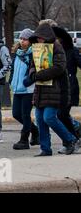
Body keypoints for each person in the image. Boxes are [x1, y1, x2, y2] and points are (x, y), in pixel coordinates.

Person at [25, 23, 78, 156]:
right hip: (40, 91)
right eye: (37, 38)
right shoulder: (36, 49)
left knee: (49, 118)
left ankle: (70, 139)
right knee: (40, 119)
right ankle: (45, 148)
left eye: (41, 38)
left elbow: (59, 68)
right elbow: (32, 65)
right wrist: (32, 73)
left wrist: (38, 75)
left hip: (55, 90)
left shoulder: (57, 48)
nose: (39, 40)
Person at [51, 26, 81, 153]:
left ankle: (72, 140)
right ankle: (73, 138)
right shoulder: (52, 51)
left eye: (56, 38)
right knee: (62, 115)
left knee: (61, 114)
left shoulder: (71, 50)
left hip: (70, 87)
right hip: (58, 88)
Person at [9, 29, 39, 150]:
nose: (22, 41)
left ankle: (24, 140)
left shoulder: (33, 54)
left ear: (30, 41)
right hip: (17, 89)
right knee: (16, 114)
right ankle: (35, 131)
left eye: (25, 39)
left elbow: (36, 71)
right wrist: (11, 80)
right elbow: (13, 69)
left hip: (28, 90)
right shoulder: (17, 53)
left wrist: (29, 81)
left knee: (25, 115)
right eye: (21, 39)